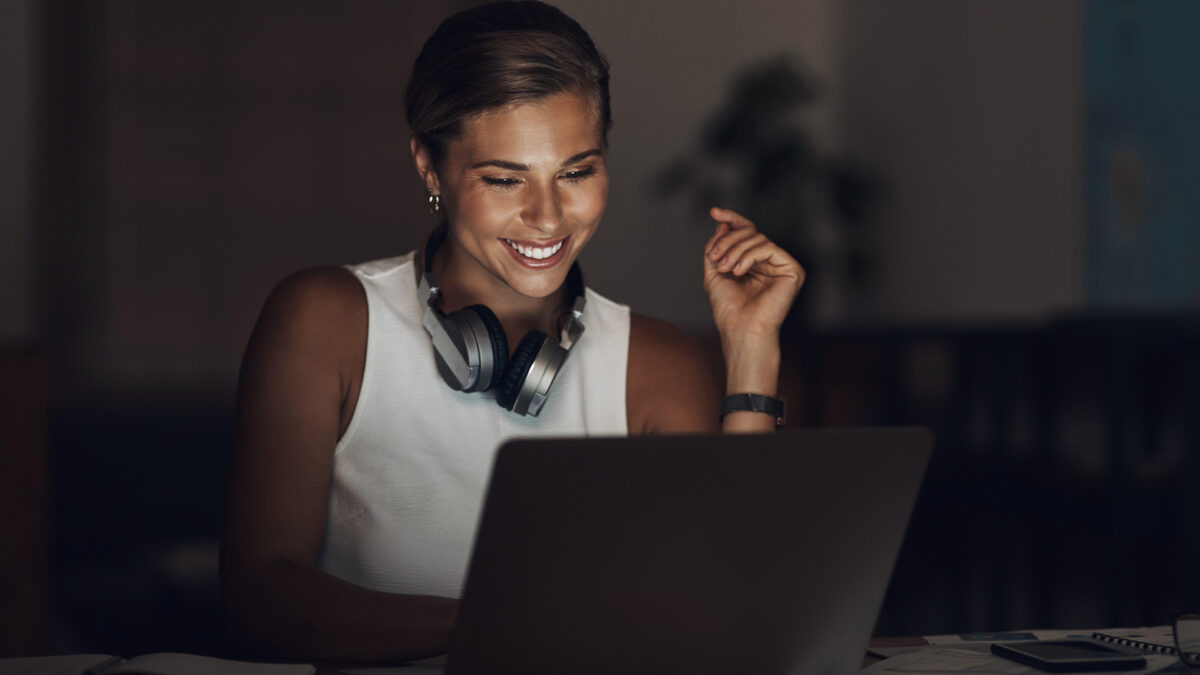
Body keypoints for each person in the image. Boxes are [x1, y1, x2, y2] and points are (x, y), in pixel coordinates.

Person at [220, 0, 804, 663]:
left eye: (577, 171)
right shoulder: (324, 320)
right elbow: (259, 593)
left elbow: (734, 611)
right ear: (429, 167)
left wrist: (754, 347)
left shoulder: (658, 364)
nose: (548, 217)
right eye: (504, 178)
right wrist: (505, 621)